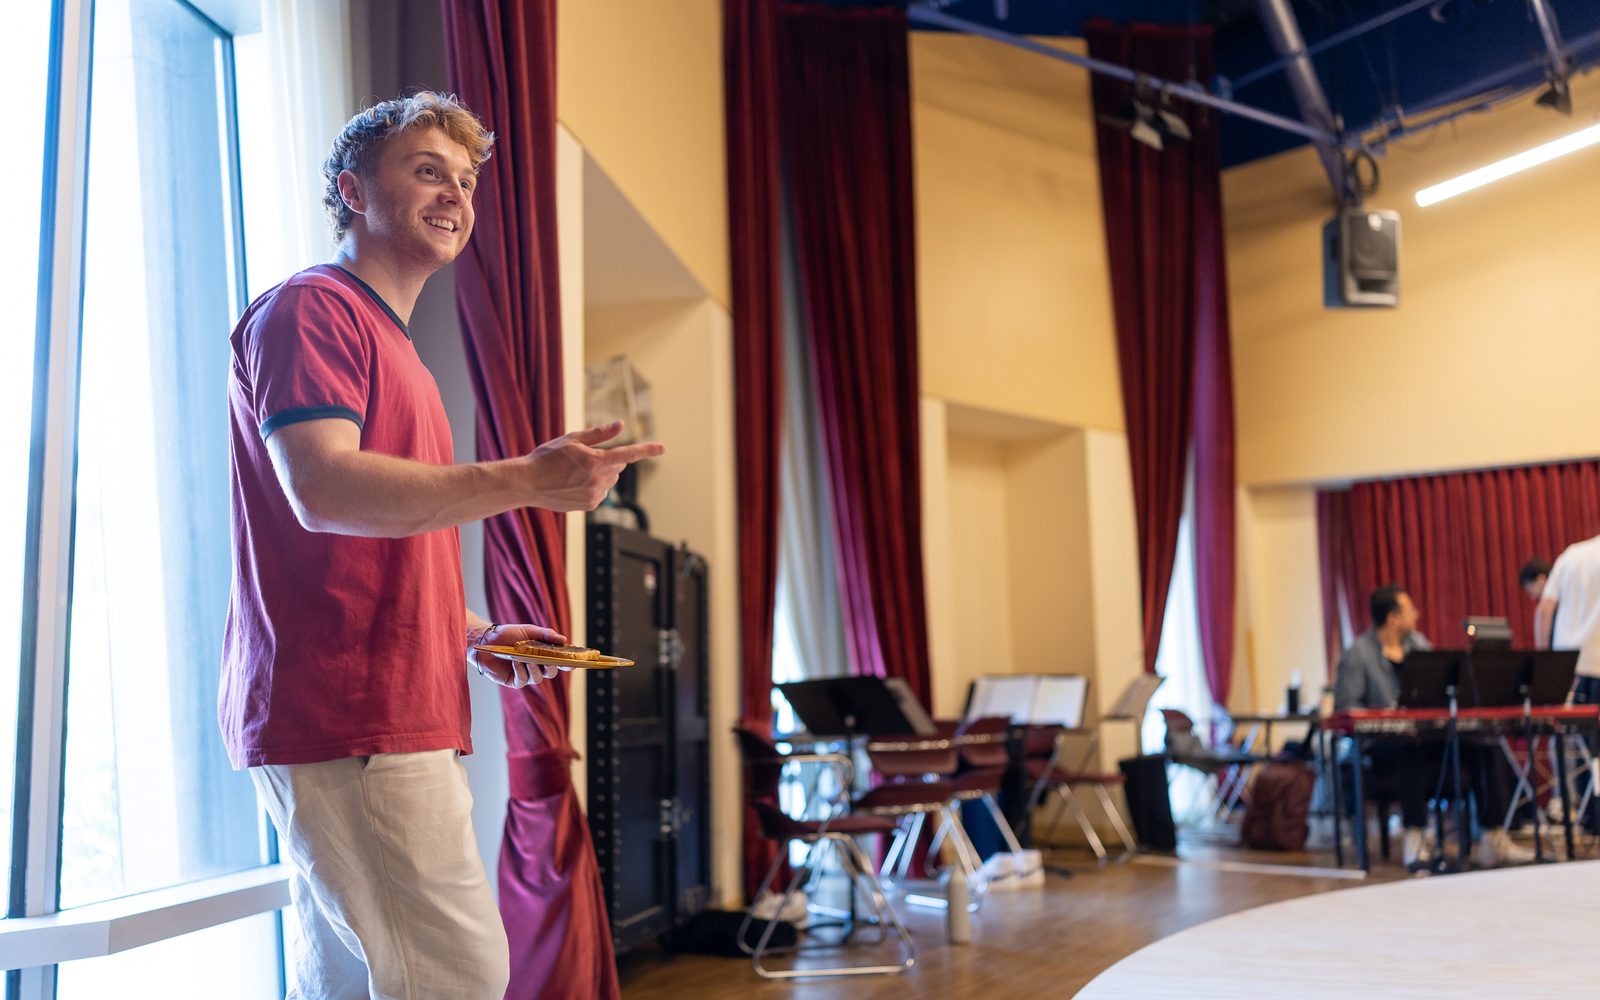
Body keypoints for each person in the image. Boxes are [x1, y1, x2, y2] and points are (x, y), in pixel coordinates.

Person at [220, 92, 664, 1000]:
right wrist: (526, 481)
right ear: (352, 190)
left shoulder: (395, 349)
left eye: (465, 180)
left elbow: (371, 548)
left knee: (365, 980)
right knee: (457, 976)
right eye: (428, 171)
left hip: (378, 709)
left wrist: (472, 633)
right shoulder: (314, 309)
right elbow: (322, 491)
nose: (456, 194)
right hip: (354, 713)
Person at [1333, 585, 1529, 870]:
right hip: (1382, 744)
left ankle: (1493, 836)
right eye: (1410, 609)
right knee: (1409, 747)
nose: (1416, 614)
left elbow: (1441, 686)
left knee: (1483, 745)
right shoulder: (1358, 654)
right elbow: (1346, 706)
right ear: (1393, 618)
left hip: (1428, 734)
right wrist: (1388, 714)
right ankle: (1415, 837)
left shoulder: (1419, 644)